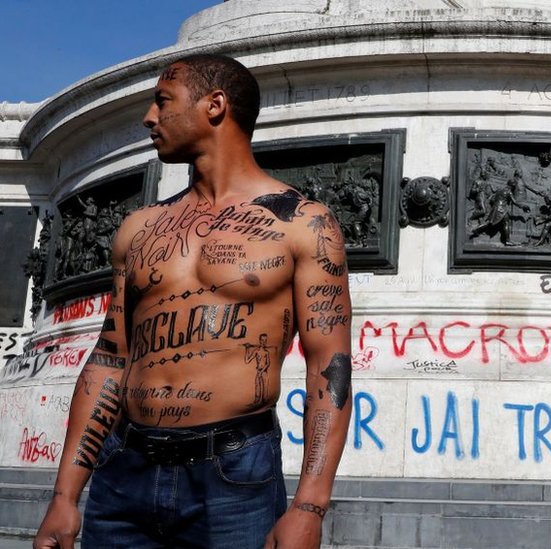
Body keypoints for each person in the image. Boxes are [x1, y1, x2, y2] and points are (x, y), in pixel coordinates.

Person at [33, 54, 352, 549]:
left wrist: (309, 506)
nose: (149, 118)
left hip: (233, 474)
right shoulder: (138, 229)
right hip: (123, 471)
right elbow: (109, 360)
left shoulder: (303, 222)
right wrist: (65, 496)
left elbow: (328, 368)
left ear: (215, 106)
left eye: (163, 102)